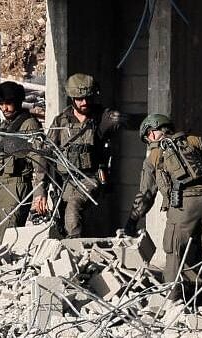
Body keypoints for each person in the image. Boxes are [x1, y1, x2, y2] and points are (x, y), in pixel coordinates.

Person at [123, 113, 202, 314]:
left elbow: (146, 194)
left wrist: (132, 221)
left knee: (175, 253)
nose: (149, 142)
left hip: (181, 207)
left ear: (153, 132)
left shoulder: (154, 156)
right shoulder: (195, 140)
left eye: (148, 138)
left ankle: (173, 302)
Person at [34, 73, 124, 238]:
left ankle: (77, 248)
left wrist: (118, 120)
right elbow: (45, 156)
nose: (84, 102)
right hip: (65, 182)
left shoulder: (101, 117)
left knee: (74, 209)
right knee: (64, 223)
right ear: (72, 98)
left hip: (90, 179)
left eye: (87, 98)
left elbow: (118, 121)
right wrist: (40, 192)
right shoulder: (61, 121)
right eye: (79, 99)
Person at [0, 81, 45, 247]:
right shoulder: (3, 125)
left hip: (17, 185)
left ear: (18, 102)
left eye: (8, 104)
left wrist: (39, 193)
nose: (4, 108)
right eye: (1, 105)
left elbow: (40, 160)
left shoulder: (29, 124)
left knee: (8, 233)